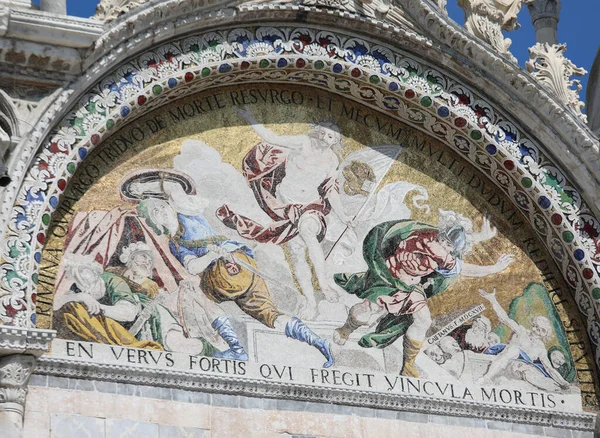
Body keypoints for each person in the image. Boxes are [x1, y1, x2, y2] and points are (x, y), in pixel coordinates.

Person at [136, 186, 334, 368]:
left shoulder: (187, 214)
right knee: (269, 314)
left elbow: (177, 192)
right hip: (242, 265)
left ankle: (237, 350)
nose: (161, 210)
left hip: (225, 272)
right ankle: (318, 342)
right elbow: (193, 266)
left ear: (171, 206)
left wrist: (154, 185)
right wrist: (212, 254)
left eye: (162, 205)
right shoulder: (175, 242)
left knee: (192, 294)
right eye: (155, 211)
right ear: (155, 223)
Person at [333, 217, 514, 377]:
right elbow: (460, 265)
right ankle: (346, 329)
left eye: (448, 245)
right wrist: (491, 266)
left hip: (411, 288)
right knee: (369, 309)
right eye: (442, 240)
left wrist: (480, 245)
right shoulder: (428, 241)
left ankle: (408, 365)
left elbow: (456, 257)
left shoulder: (444, 250)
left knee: (423, 320)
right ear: (439, 235)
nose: (443, 245)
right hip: (390, 278)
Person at [216, 107, 352, 318]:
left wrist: (344, 216)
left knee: (308, 230)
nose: (325, 138)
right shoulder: (302, 143)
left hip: (311, 205)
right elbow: (272, 137)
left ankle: (324, 285)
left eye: (331, 136)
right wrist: (250, 117)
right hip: (285, 207)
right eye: (323, 132)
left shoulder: (332, 160)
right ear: (316, 131)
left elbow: (330, 191)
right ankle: (309, 301)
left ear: (336, 141)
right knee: (297, 256)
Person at [54, 252, 214, 355]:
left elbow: (128, 312)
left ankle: (208, 347)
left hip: (151, 317)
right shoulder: (80, 287)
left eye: (86, 271)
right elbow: (56, 304)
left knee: (179, 345)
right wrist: (81, 296)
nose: (84, 276)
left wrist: (97, 307)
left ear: (95, 272)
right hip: (122, 325)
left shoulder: (113, 281)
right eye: (79, 273)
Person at [477, 288, 570, 390]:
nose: (537, 331)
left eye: (542, 330)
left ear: (545, 334)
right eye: (536, 326)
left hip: (521, 369)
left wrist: (563, 382)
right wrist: (493, 300)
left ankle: (552, 388)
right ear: (533, 325)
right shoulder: (521, 331)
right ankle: (486, 378)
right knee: (514, 349)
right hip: (506, 362)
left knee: (530, 372)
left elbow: (549, 368)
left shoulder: (540, 348)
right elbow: (505, 318)